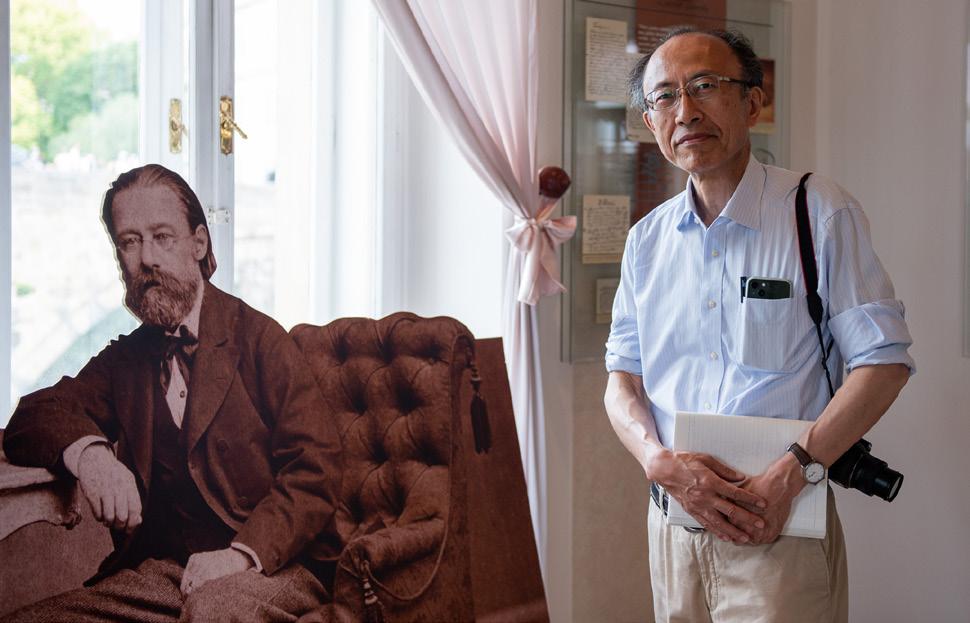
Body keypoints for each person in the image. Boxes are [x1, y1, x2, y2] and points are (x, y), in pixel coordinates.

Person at [604, 28, 914, 623]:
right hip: (673, 526)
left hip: (782, 529)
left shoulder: (818, 212)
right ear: (650, 122)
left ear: (752, 102)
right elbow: (622, 380)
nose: (685, 112)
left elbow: (884, 364)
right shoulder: (646, 241)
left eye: (704, 86)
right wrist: (655, 459)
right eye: (665, 96)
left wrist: (791, 473)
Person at [2, 164, 342, 622]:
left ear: (198, 243)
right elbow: (36, 413)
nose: (147, 259)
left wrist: (240, 555)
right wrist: (93, 457)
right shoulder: (126, 360)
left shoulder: (261, 340)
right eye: (129, 242)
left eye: (162, 237)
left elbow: (316, 468)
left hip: (275, 565)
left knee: (213, 611)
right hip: (171, 574)